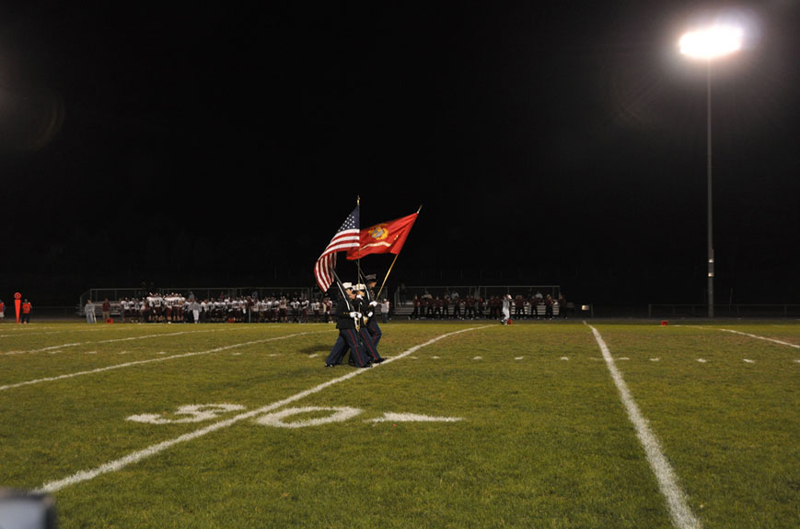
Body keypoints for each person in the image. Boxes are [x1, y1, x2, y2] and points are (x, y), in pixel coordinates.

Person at [324, 282, 371, 368]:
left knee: (340, 345)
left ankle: (331, 361)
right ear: (345, 291)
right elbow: (338, 313)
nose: (352, 291)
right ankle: (361, 362)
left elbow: (357, 306)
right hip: (346, 325)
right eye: (350, 290)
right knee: (355, 344)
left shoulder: (348, 301)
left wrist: (358, 304)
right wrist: (350, 314)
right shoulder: (343, 301)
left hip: (347, 325)